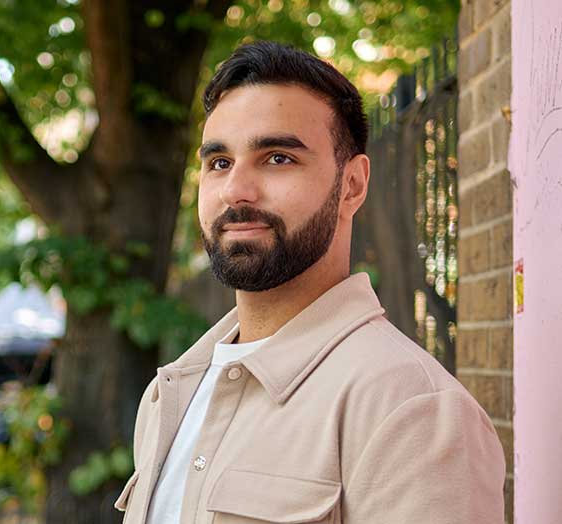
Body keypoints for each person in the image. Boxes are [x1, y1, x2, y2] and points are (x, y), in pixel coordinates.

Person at [114, 41, 505, 524]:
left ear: (353, 185)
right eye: (219, 162)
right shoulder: (172, 393)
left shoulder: (410, 408)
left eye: (278, 158)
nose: (236, 189)